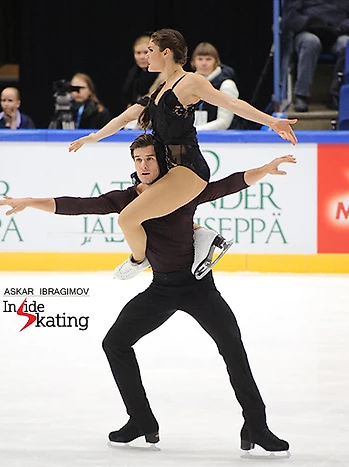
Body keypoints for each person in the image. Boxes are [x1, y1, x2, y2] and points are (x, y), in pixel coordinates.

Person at [0, 134, 296, 453]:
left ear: (162, 161)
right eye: (138, 160)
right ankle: (141, 421)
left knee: (232, 345)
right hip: (162, 288)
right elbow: (79, 205)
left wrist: (265, 169)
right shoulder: (127, 200)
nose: (143, 166)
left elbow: (226, 185)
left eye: (149, 159)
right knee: (115, 343)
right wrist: (29, 202)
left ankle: (256, 426)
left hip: (197, 287)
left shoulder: (182, 191)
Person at [68, 28, 298, 281]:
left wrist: (272, 122)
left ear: (166, 53)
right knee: (153, 216)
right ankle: (201, 235)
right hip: (171, 169)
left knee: (127, 219)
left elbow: (231, 103)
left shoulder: (190, 82)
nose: (146, 56)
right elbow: (126, 116)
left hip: (188, 168)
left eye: (151, 51)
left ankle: (140, 258)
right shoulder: (158, 90)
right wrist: (93, 137)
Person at [190, 41, 241, 130]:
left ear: (216, 62)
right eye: (200, 59)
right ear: (193, 62)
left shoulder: (226, 85)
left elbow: (224, 122)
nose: (204, 63)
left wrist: (194, 130)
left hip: (224, 139)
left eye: (208, 59)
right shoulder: (188, 83)